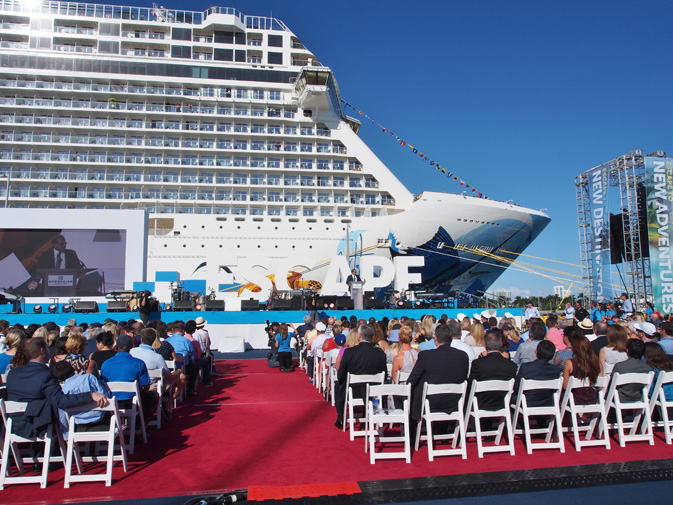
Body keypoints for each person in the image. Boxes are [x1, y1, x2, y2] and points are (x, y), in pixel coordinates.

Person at [6, 337, 108, 439]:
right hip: (38, 426)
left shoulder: (13, 373)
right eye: (47, 348)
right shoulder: (45, 375)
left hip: (15, 424)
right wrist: (90, 396)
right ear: (42, 351)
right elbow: (60, 400)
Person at [408, 321, 469, 425]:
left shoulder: (426, 356)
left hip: (431, 403)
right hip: (455, 402)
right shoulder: (463, 356)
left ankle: (412, 436)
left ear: (435, 338)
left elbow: (411, 381)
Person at [334, 324, 387, 429]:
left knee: (338, 385)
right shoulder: (380, 353)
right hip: (373, 391)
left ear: (359, 336)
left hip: (353, 391)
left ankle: (340, 417)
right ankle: (363, 415)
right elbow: (384, 375)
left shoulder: (349, 352)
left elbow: (341, 375)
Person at [468, 330, 517, 411]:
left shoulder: (478, 364)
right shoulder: (511, 366)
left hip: (481, 404)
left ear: (485, 345)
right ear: (501, 344)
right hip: (503, 404)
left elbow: (470, 386)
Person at [514, 340, 561, 406]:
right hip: (547, 403)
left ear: (536, 352)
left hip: (526, 402)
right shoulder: (555, 370)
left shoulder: (526, 367)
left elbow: (517, 387)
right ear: (553, 356)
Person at [562, 333, 601, 405]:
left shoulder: (570, 363)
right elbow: (600, 385)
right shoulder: (596, 361)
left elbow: (565, 386)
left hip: (575, 399)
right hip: (592, 398)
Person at [611, 339, 650, 403]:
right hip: (638, 398)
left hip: (620, 399)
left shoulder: (620, 366)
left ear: (627, 350)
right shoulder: (647, 368)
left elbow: (611, 386)